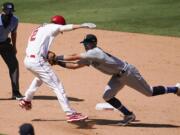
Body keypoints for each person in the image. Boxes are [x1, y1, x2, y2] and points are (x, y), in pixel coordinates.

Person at [49, 34, 180, 126]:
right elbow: (75, 66)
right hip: (117, 77)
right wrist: (57, 62)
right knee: (107, 96)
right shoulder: (89, 56)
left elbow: (73, 56)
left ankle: (176, 88)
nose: (85, 46)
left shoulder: (95, 52)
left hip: (128, 73)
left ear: (93, 43)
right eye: (84, 44)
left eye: (86, 43)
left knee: (149, 92)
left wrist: (56, 57)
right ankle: (129, 115)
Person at [19, 15, 96, 122]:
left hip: (28, 60)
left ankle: (26, 100)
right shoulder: (53, 27)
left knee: (39, 78)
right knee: (58, 87)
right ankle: (70, 113)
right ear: (59, 24)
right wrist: (82, 26)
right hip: (37, 61)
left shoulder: (40, 28)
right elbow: (65, 28)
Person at [0, 2, 23, 100]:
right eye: (7, 10)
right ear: (2, 10)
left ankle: (16, 93)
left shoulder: (15, 20)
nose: (9, 12)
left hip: (5, 44)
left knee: (14, 65)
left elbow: (13, 33)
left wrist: (14, 46)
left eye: (11, 11)